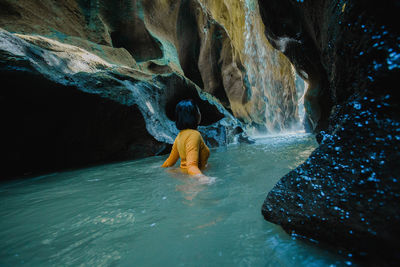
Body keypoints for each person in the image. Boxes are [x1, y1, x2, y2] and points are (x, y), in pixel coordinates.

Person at [162, 99, 212, 183]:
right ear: (196, 116)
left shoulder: (179, 136)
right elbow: (191, 165)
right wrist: (202, 178)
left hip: (185, 179)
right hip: (193, 181)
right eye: (198, 111)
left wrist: (158, 168)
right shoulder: (194, 135)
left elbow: (169, 162)